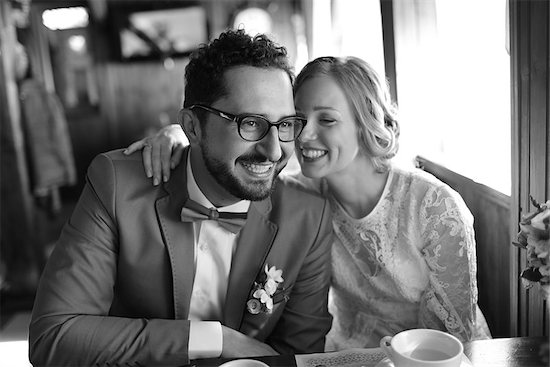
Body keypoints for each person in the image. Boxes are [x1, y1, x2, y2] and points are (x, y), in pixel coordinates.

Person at [128, 55, 492, 350]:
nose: (305, 136)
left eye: (327, 119)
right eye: (296, 120)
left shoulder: (434, 207)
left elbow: (451, 336)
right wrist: (180, 135)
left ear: (366, 123)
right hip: (346, 350)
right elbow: (231, 164)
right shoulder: (303, 195)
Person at [29, 29, 334, 367]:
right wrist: (215, 339)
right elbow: (54, 338)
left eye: (285, 125)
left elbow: (300, 358)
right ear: (192, 126)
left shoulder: (307, 217)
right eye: (250, 124)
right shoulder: (117, 185)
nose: (274, 151)